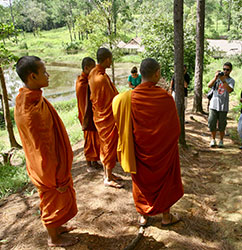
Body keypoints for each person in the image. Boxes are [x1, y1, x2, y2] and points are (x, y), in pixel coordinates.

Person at [14, 56, 78, 247]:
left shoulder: (27, 98)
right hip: (47, 169)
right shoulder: (31, 111)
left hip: (48, 164)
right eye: (44, 72)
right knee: (52, 200)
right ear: (32, 76)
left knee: (60, 199)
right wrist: (55, 177)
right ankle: (54, 238)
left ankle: (58, 228)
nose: (48, 75)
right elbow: (44, 149)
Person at [113, 58, 184, 227]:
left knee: (140, 183)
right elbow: (175, 129)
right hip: (162, 153)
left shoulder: (127, 99)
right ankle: (166, 217)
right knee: (165, 181)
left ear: (141, 75)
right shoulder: (165, 98)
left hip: (139, 152)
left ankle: (143, 216)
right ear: (157, 73)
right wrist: (166, 146)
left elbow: (120, 123)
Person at [88, 48, 123, 188]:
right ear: (107, 59)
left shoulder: (93, 73)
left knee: (105, 145)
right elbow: (111, 100)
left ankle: (107, 173)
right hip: (106, 118)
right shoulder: (101, 78)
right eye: (111, 59)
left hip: (99, 115)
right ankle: (108, 178)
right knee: (109, 145)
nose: (112, 61)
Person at [76, 57, 102, 172]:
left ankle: (95, 161)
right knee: (89, 140)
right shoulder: (82, 84)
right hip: (86, 116)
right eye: (92, 69)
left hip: (91, 114)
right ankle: (89, 164)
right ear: (86, 68)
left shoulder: (87, 81)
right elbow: (84, 103)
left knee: (95, 139)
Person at [208, 62, 235, 148]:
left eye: (227, 70)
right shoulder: (217, 78)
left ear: (230, 71)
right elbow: (209, 85)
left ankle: (221, 140)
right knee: (212, 123)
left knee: (222, 125)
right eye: (224, 69)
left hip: (223, 106)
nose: (225, 71)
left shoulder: (231, 80)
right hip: (213, 105)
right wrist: (216, 77)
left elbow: (229, 90)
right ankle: (213, 139)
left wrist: (223, 80)